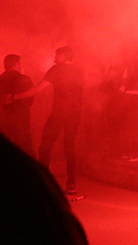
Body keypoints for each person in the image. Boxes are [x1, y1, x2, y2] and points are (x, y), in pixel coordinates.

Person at [6, 46, 84, 195]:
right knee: (69, 148)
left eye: (57, 55)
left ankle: (44, 184)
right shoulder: (80, 71)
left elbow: (37, 89)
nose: (55, 58)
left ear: (63, 56)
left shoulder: (56, 70)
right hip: (75, 115)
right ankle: (71, 184)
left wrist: (14, 97)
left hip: (58, 115)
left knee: (44, 147)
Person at [0, 54, 35, 155]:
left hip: (3, 122)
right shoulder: (24, 79)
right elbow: (30, 100)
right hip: (21, 121)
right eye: (21, 63)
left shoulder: (0, 79)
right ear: (16, 65)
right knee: (25, 149)